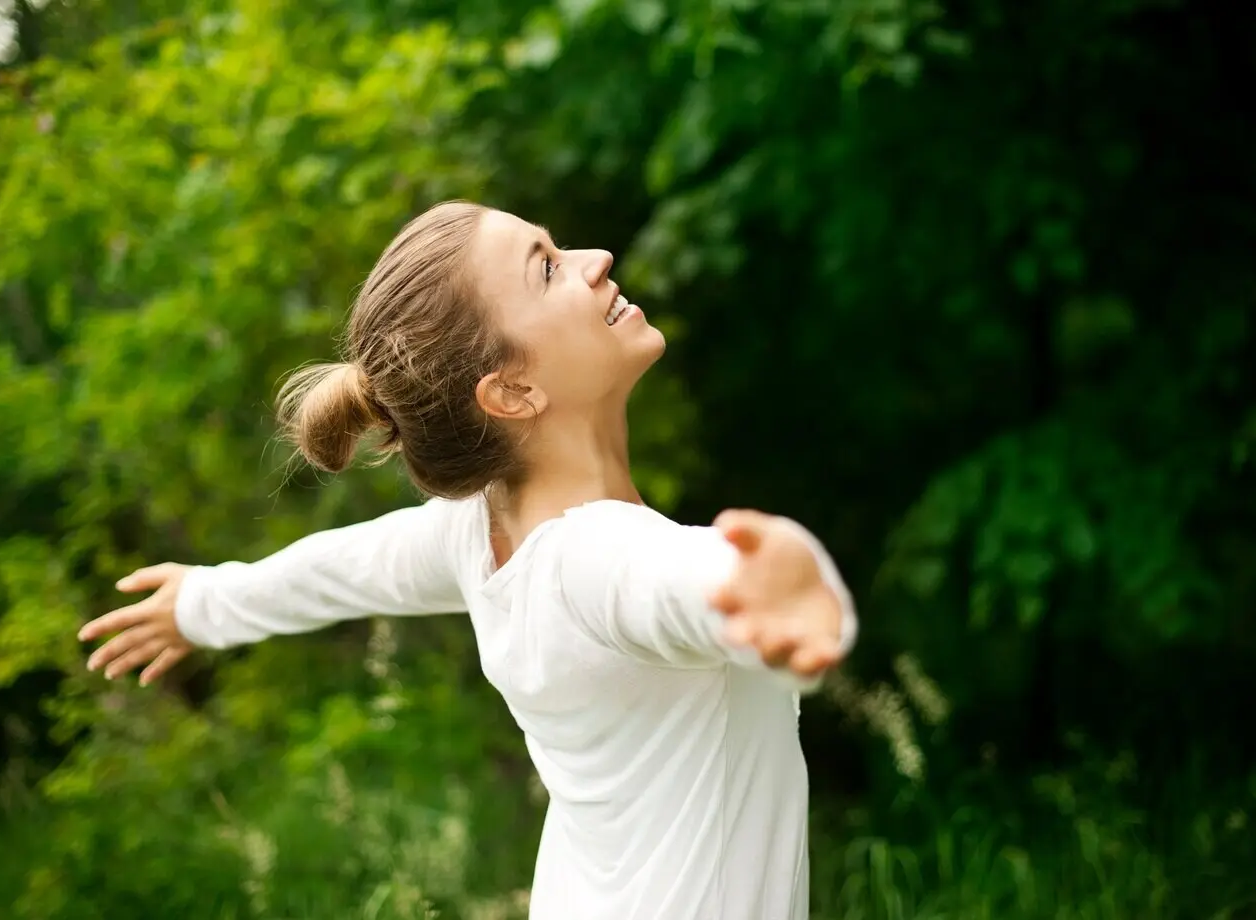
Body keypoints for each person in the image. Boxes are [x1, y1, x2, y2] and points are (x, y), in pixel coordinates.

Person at [77, 201, 858, 920]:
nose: (596, 259)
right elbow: (676, 581)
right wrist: (765, 583)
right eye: (548, 267)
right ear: (512, 390)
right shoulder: (595, 558)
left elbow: (340, 567)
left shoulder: (481, 536)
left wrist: (202, 603)